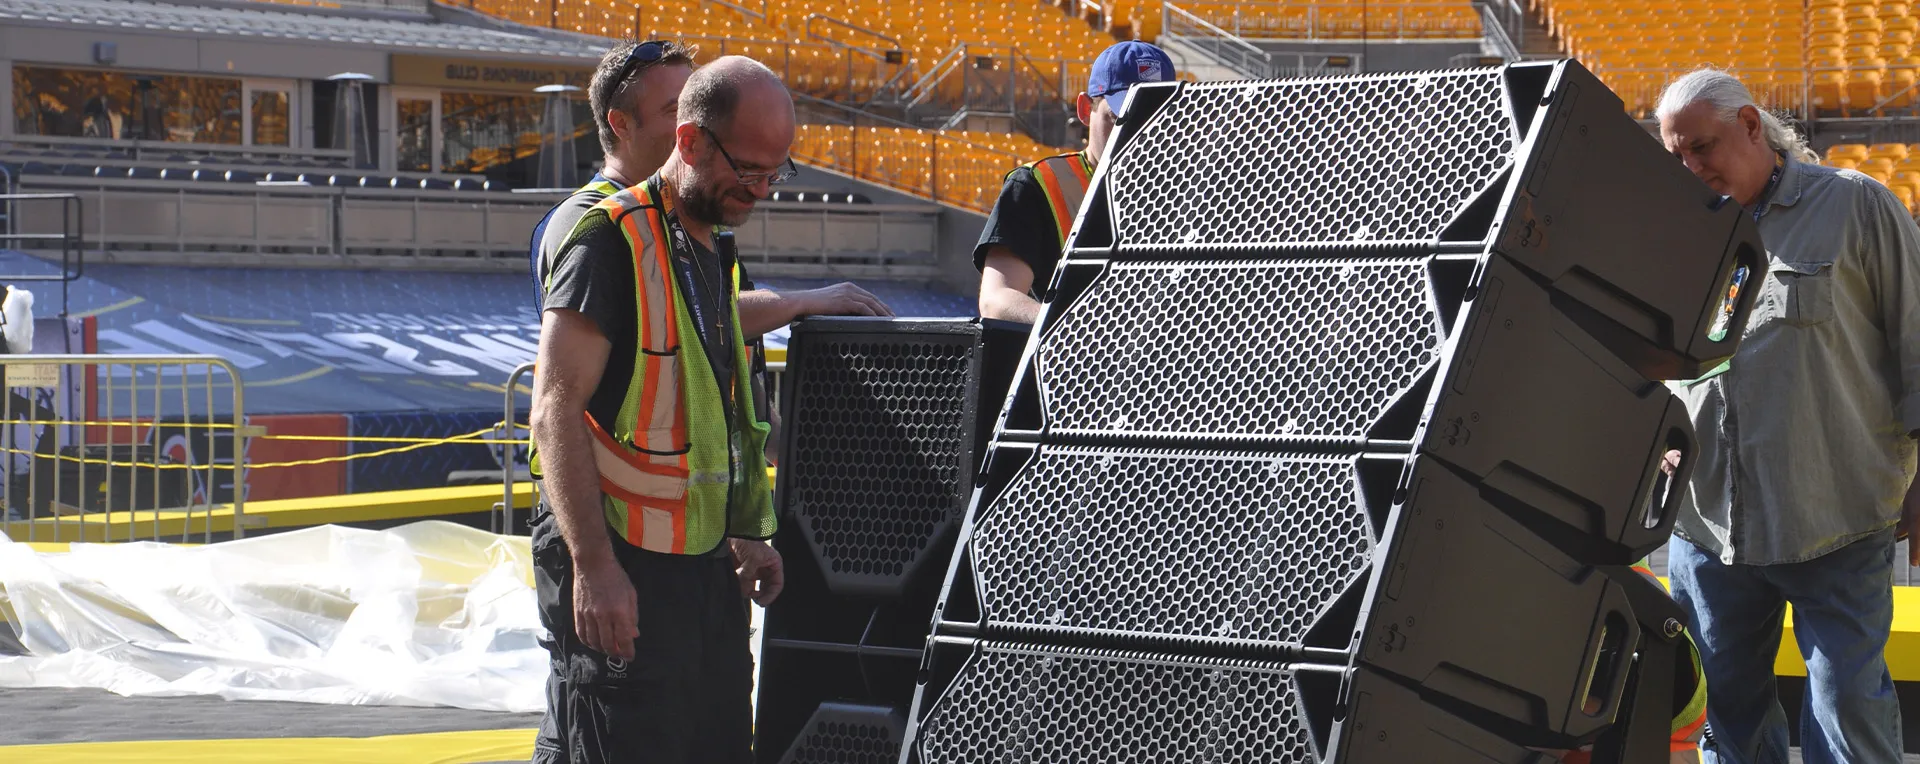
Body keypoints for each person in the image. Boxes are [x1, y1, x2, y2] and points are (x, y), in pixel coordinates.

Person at [528, 56, 802, 764]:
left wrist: (744, 534)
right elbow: (554, 412)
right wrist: (595, 568)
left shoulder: (713, 248)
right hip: (624, 567)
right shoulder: (607, 239)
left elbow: (716, 419)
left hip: (701, 573)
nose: (759, 191)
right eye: (747, 170)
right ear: (690, 141)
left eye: (775, 174)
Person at [1655, 68, 1920, 764]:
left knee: (1847, 709)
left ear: (1750, 125)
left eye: (1702, 147)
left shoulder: (1856, 206)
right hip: (1710, 525)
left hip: (1836, 517)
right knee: (1730, 718)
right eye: (1676, 156)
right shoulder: (1673, 234)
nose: (1690, 169)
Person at [530, 40, 893, 338]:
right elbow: (674, 315)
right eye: (676, 109)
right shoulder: (586, 221)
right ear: (621, 124)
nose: (695, 121)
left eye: (699, 105)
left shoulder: (694, 217)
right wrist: (799, 302)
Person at [974, 41, 1176, 322]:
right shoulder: (1038, 186)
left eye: (1153, 120)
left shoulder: (1189, 191)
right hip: (1072, 348)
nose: (1137, 134)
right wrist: (1076, 329)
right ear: (1085, 109)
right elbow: (997, 299)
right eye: (1121, 118)